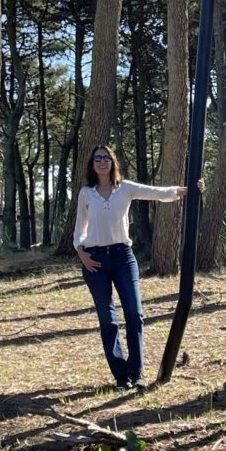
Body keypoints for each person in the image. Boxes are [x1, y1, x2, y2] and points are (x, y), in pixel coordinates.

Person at [74, 144, 203, 391]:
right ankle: (121, 376)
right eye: (97, 158)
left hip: (123, 257)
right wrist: (82, 253)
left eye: (106, 158)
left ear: (113, 162)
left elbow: (157, 192)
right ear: (92, 164)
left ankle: (137, 372)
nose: (102, 162)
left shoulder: (125, 188)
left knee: (134, 314)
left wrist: (189, 190)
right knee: (108, 320)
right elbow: (80, 228)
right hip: (95, 261)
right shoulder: (86, 194)